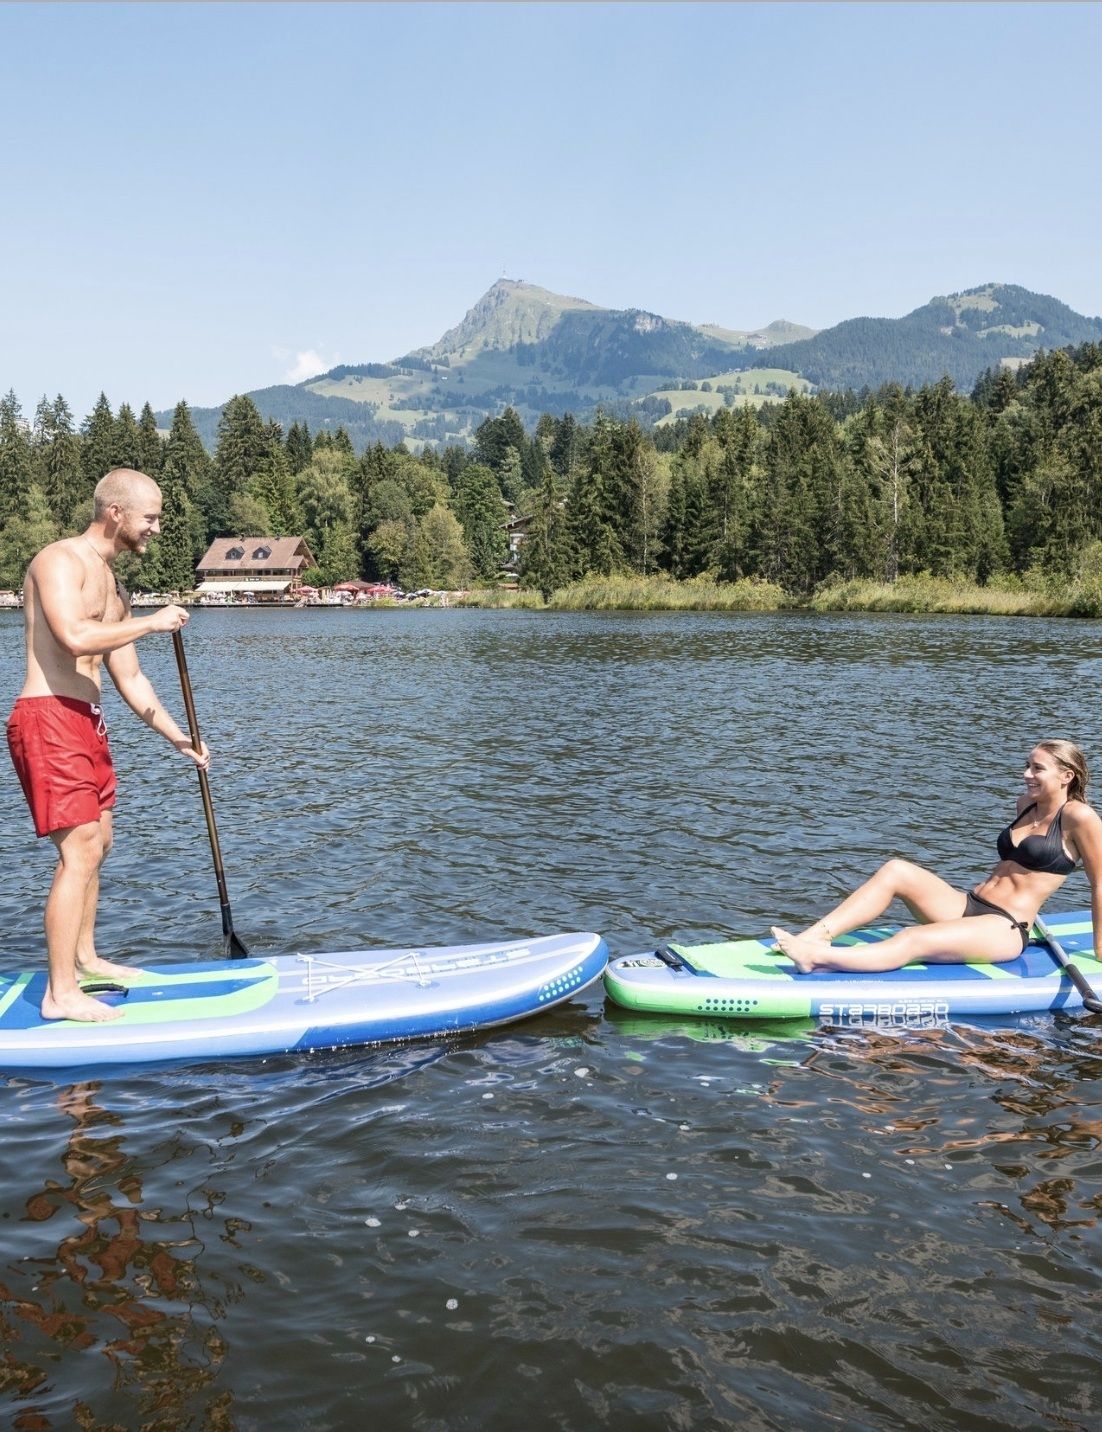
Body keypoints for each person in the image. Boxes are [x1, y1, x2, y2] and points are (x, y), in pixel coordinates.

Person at [6, 467, 210, 1023]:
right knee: (80, 851)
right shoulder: (59, 561)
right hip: (47, 717)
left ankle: (86, 959)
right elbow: (73, 635)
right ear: (115, 512)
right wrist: (150, 623)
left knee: (102, 841)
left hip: (86, 722)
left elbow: (132, 679)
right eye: (151, 517)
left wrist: (178, 738)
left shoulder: (116, 588)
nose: (157, 529)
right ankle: (60, 994)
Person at [771, 740, 1102, 974]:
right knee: (896, 869)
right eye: (1027, 766)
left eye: (1037, 768)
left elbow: (1100, 885)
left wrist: (1101, 950)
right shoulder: (1026, 804)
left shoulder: (1080, 818)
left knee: (912, 938)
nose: (1026, 774)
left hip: (1004, 928)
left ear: (1066, 776)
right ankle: (818, 935)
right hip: (968, 906)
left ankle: (816, 959)